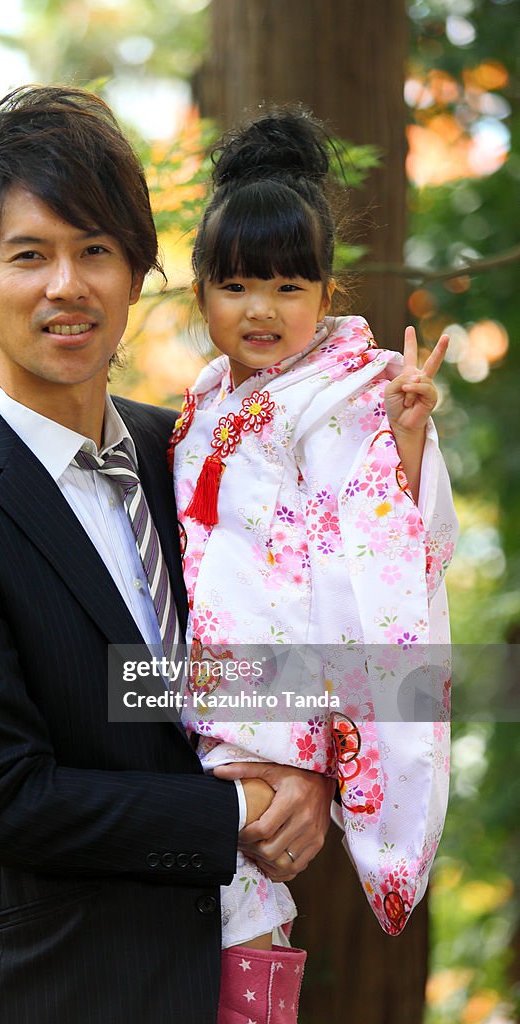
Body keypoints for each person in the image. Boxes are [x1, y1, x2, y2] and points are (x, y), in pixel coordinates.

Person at [0, 86, 335, 1024]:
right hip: (75, 990)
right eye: (27, 256)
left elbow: (279, 652)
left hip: (249, 968)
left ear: (136, 274)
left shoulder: (201, 454)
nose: (66, 286)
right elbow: (6, 794)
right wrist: (239, 815)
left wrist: (308, 772)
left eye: (96, 253)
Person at [170, 107, 458, 1024]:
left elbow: (383, 539)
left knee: (243, 881)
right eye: (237, 284)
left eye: (289, 285)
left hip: (279, 687)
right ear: (201, 293)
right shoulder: (205, 400)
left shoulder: (346, 391)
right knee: (232, 889)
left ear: (326, 293)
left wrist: (404, 442)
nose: (262, 309)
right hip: (205, 681)